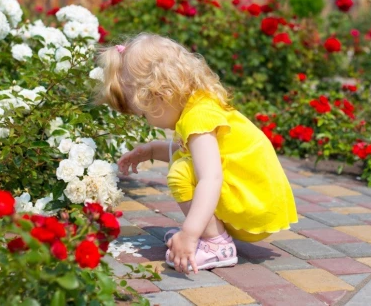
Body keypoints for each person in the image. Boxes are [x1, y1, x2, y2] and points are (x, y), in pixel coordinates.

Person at [95, 33, 298, 274]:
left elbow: (211, 178)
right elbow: (191, 152)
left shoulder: (198, 117)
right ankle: (207, 233)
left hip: (253, 205)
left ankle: (216, 244)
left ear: (162, 93)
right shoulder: (199, 104)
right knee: (185, 162)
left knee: (181, 172)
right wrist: (149, 151)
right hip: (255, 198)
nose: (148, 121)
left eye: (144, 113)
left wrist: (189, 234)